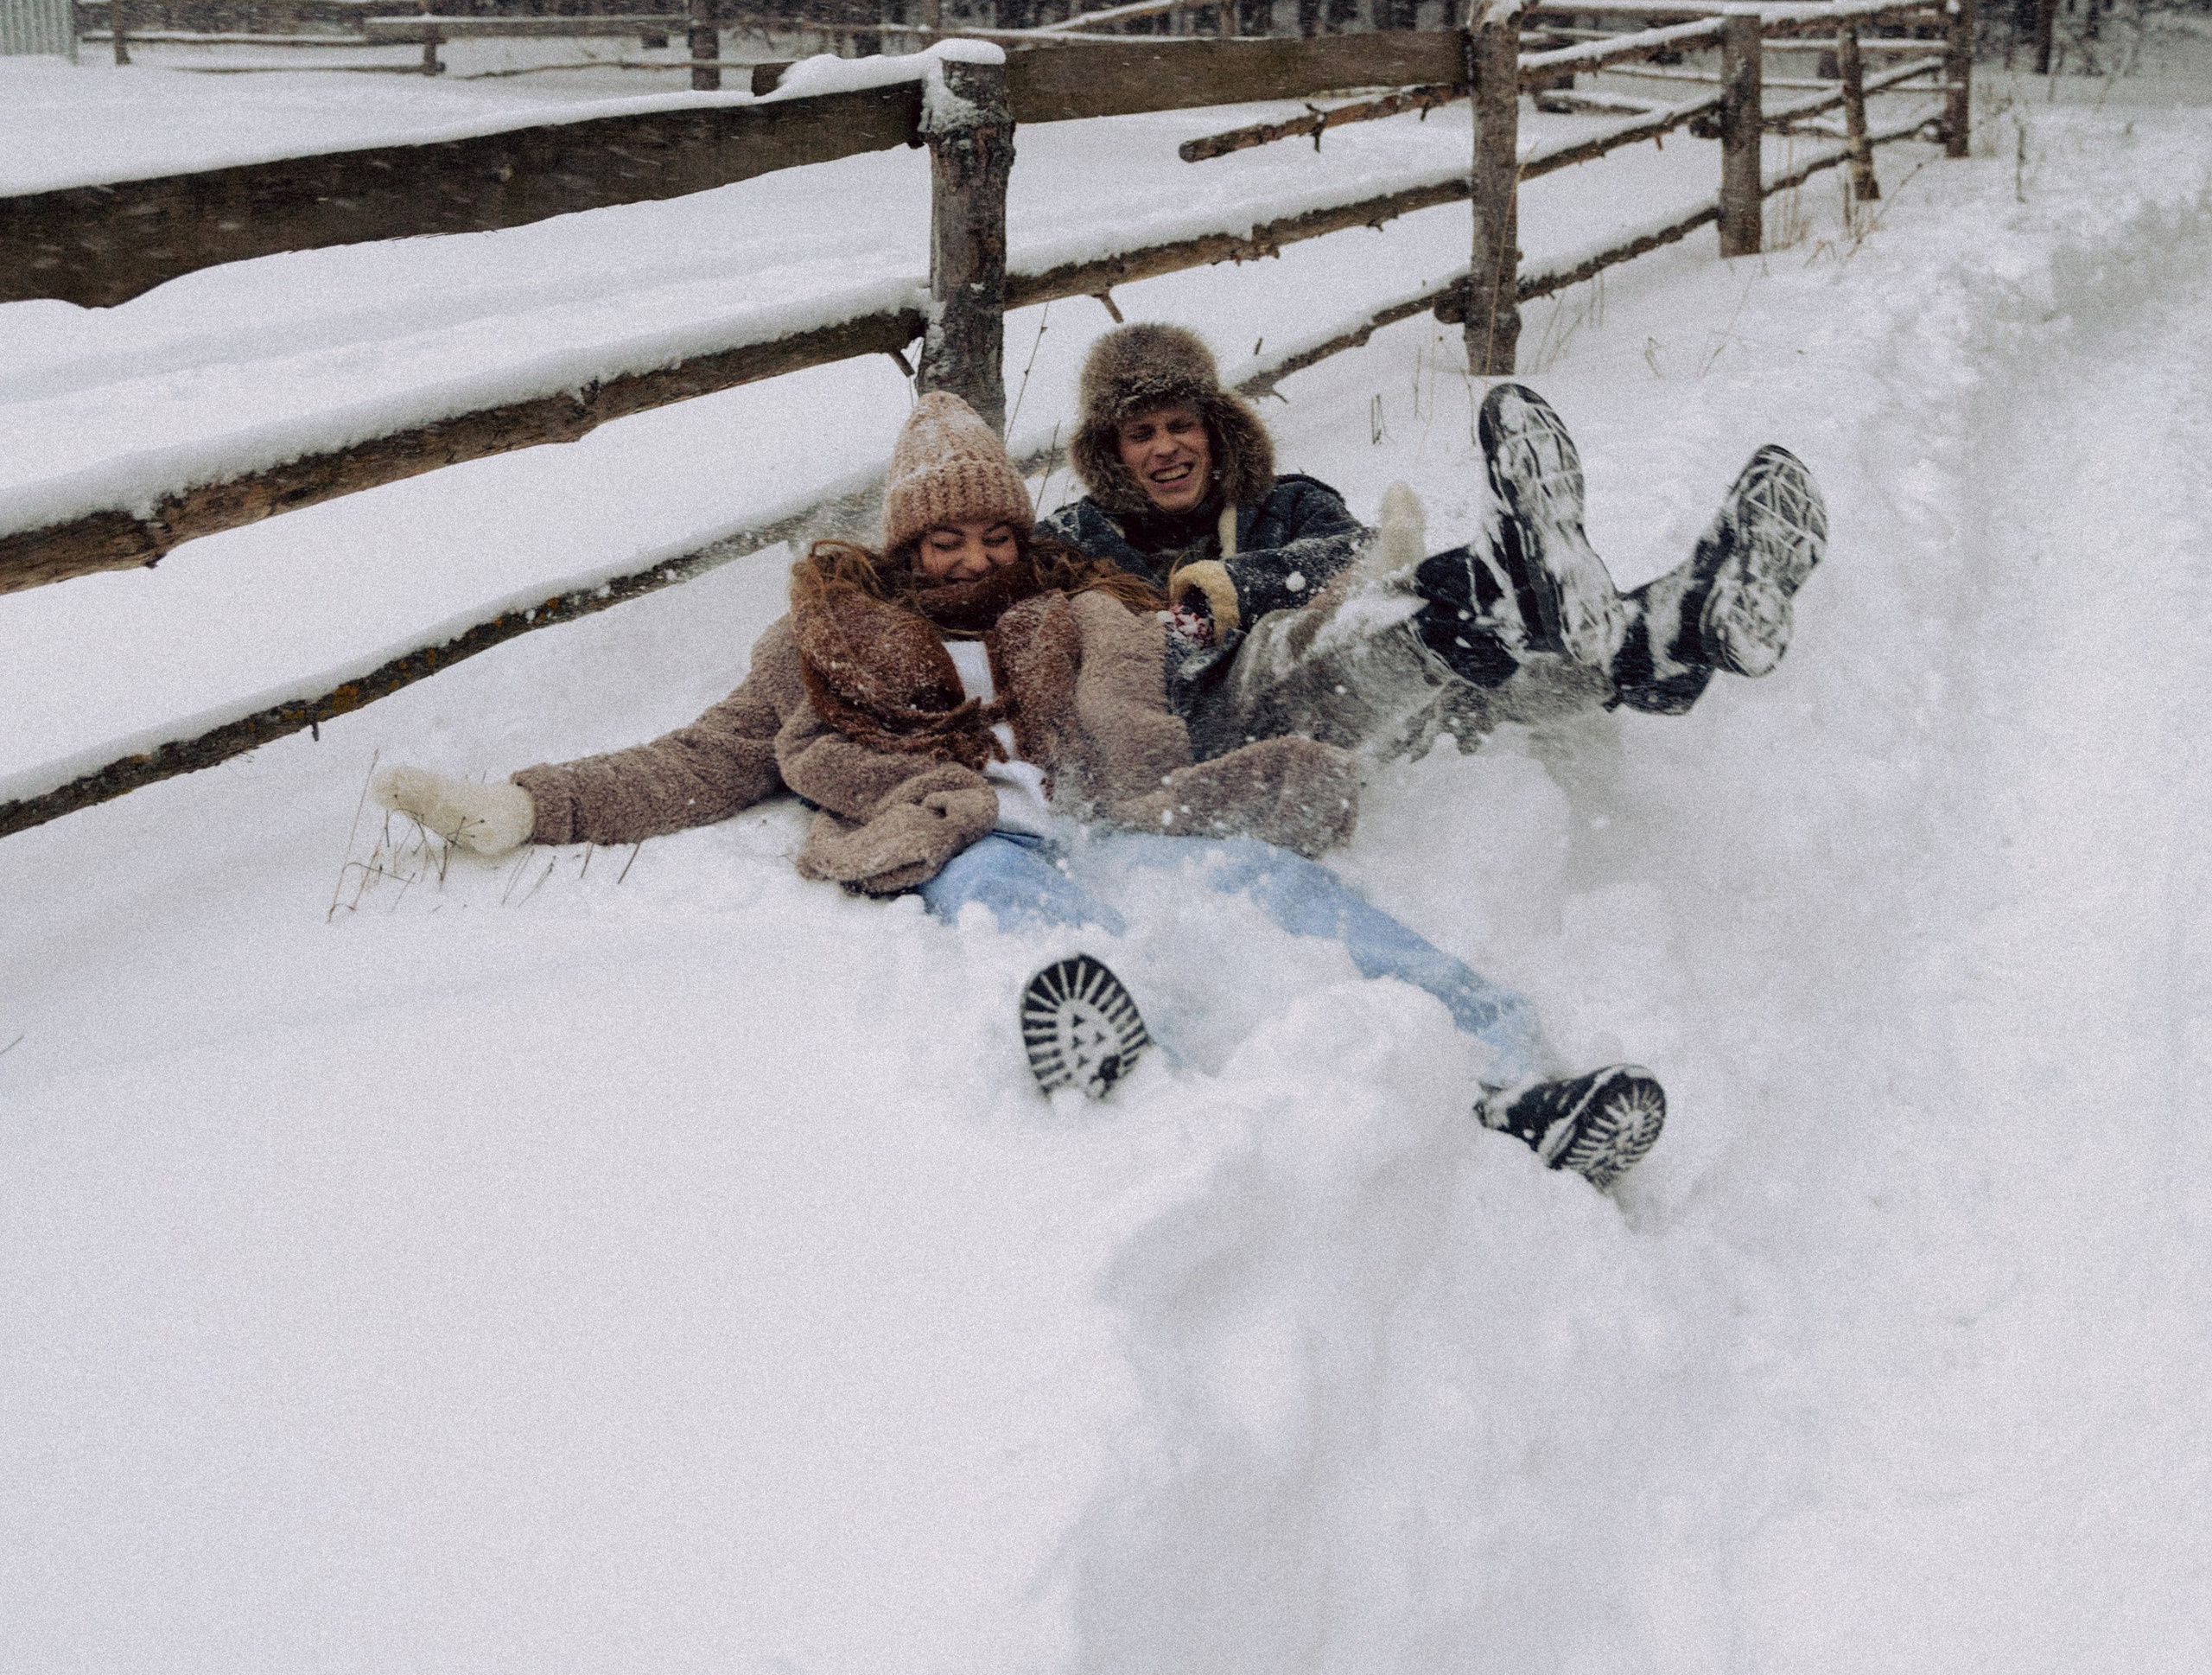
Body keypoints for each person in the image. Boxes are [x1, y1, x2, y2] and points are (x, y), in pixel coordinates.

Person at [373, 392, 1668, 1188]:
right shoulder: (815, 649)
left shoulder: (1076, 613)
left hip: (1117, 824)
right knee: (998, 892)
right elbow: (698, 762)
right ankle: (1121, 1049)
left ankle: (1512, 1073)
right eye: (946, 539)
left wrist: (1366, 577)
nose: (976, 558)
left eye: (995, 533)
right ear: (901, 546)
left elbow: (1220, 640)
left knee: (1273, 887)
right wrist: (532, 804)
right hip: (967, 841)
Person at [1045, 322, 1828, 764]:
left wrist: (1239, 581)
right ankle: (1499, 597)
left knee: (1461, 664)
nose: (1164, 449)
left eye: (1181, 425)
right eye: (1139, 433)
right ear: (1110, 451)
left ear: (1216, 431)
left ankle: (1659, 636)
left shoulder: (1286, 504)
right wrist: (1205, 615)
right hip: (1217, 736)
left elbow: (1348, 556)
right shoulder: (1077, 541)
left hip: (1359, 705)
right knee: (1305, 643)